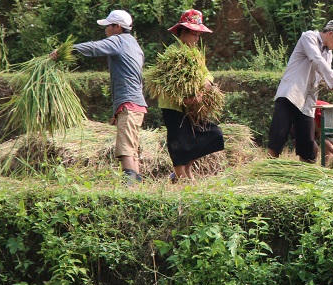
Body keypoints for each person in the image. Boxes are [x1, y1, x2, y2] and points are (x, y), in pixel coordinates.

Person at [55, 9, 147, 184]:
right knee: (132, 146)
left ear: (117, 27)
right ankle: (137, 183)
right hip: (136, 103)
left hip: (129, 101)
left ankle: (130, 183)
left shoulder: (118, 40)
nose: (105, 30)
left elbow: (94, 47)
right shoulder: (134, 44)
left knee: (125, 147)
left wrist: (65, 50)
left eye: (108, 26)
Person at [267, 19, 333, 163]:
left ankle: (305, 177)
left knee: (308, 144)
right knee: (278, 135)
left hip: (308, 102)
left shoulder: (329, 53)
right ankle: (267, 171)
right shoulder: (308, 37)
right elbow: (316, 59)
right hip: (291, 94)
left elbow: (324, 75)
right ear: (331, 33)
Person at [159, 9, 224, 183]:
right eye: (194, 34)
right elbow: (169, 84)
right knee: (178, 141)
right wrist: (184, 99)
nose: (197, 39)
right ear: (183, 32)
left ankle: (185, 171)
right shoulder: (172, 54)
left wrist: (203, 89)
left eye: (198, 35)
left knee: (213, 135)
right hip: (174, 106)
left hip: (194, 107)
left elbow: (207, 75)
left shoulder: (196, 54)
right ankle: (182, 178)